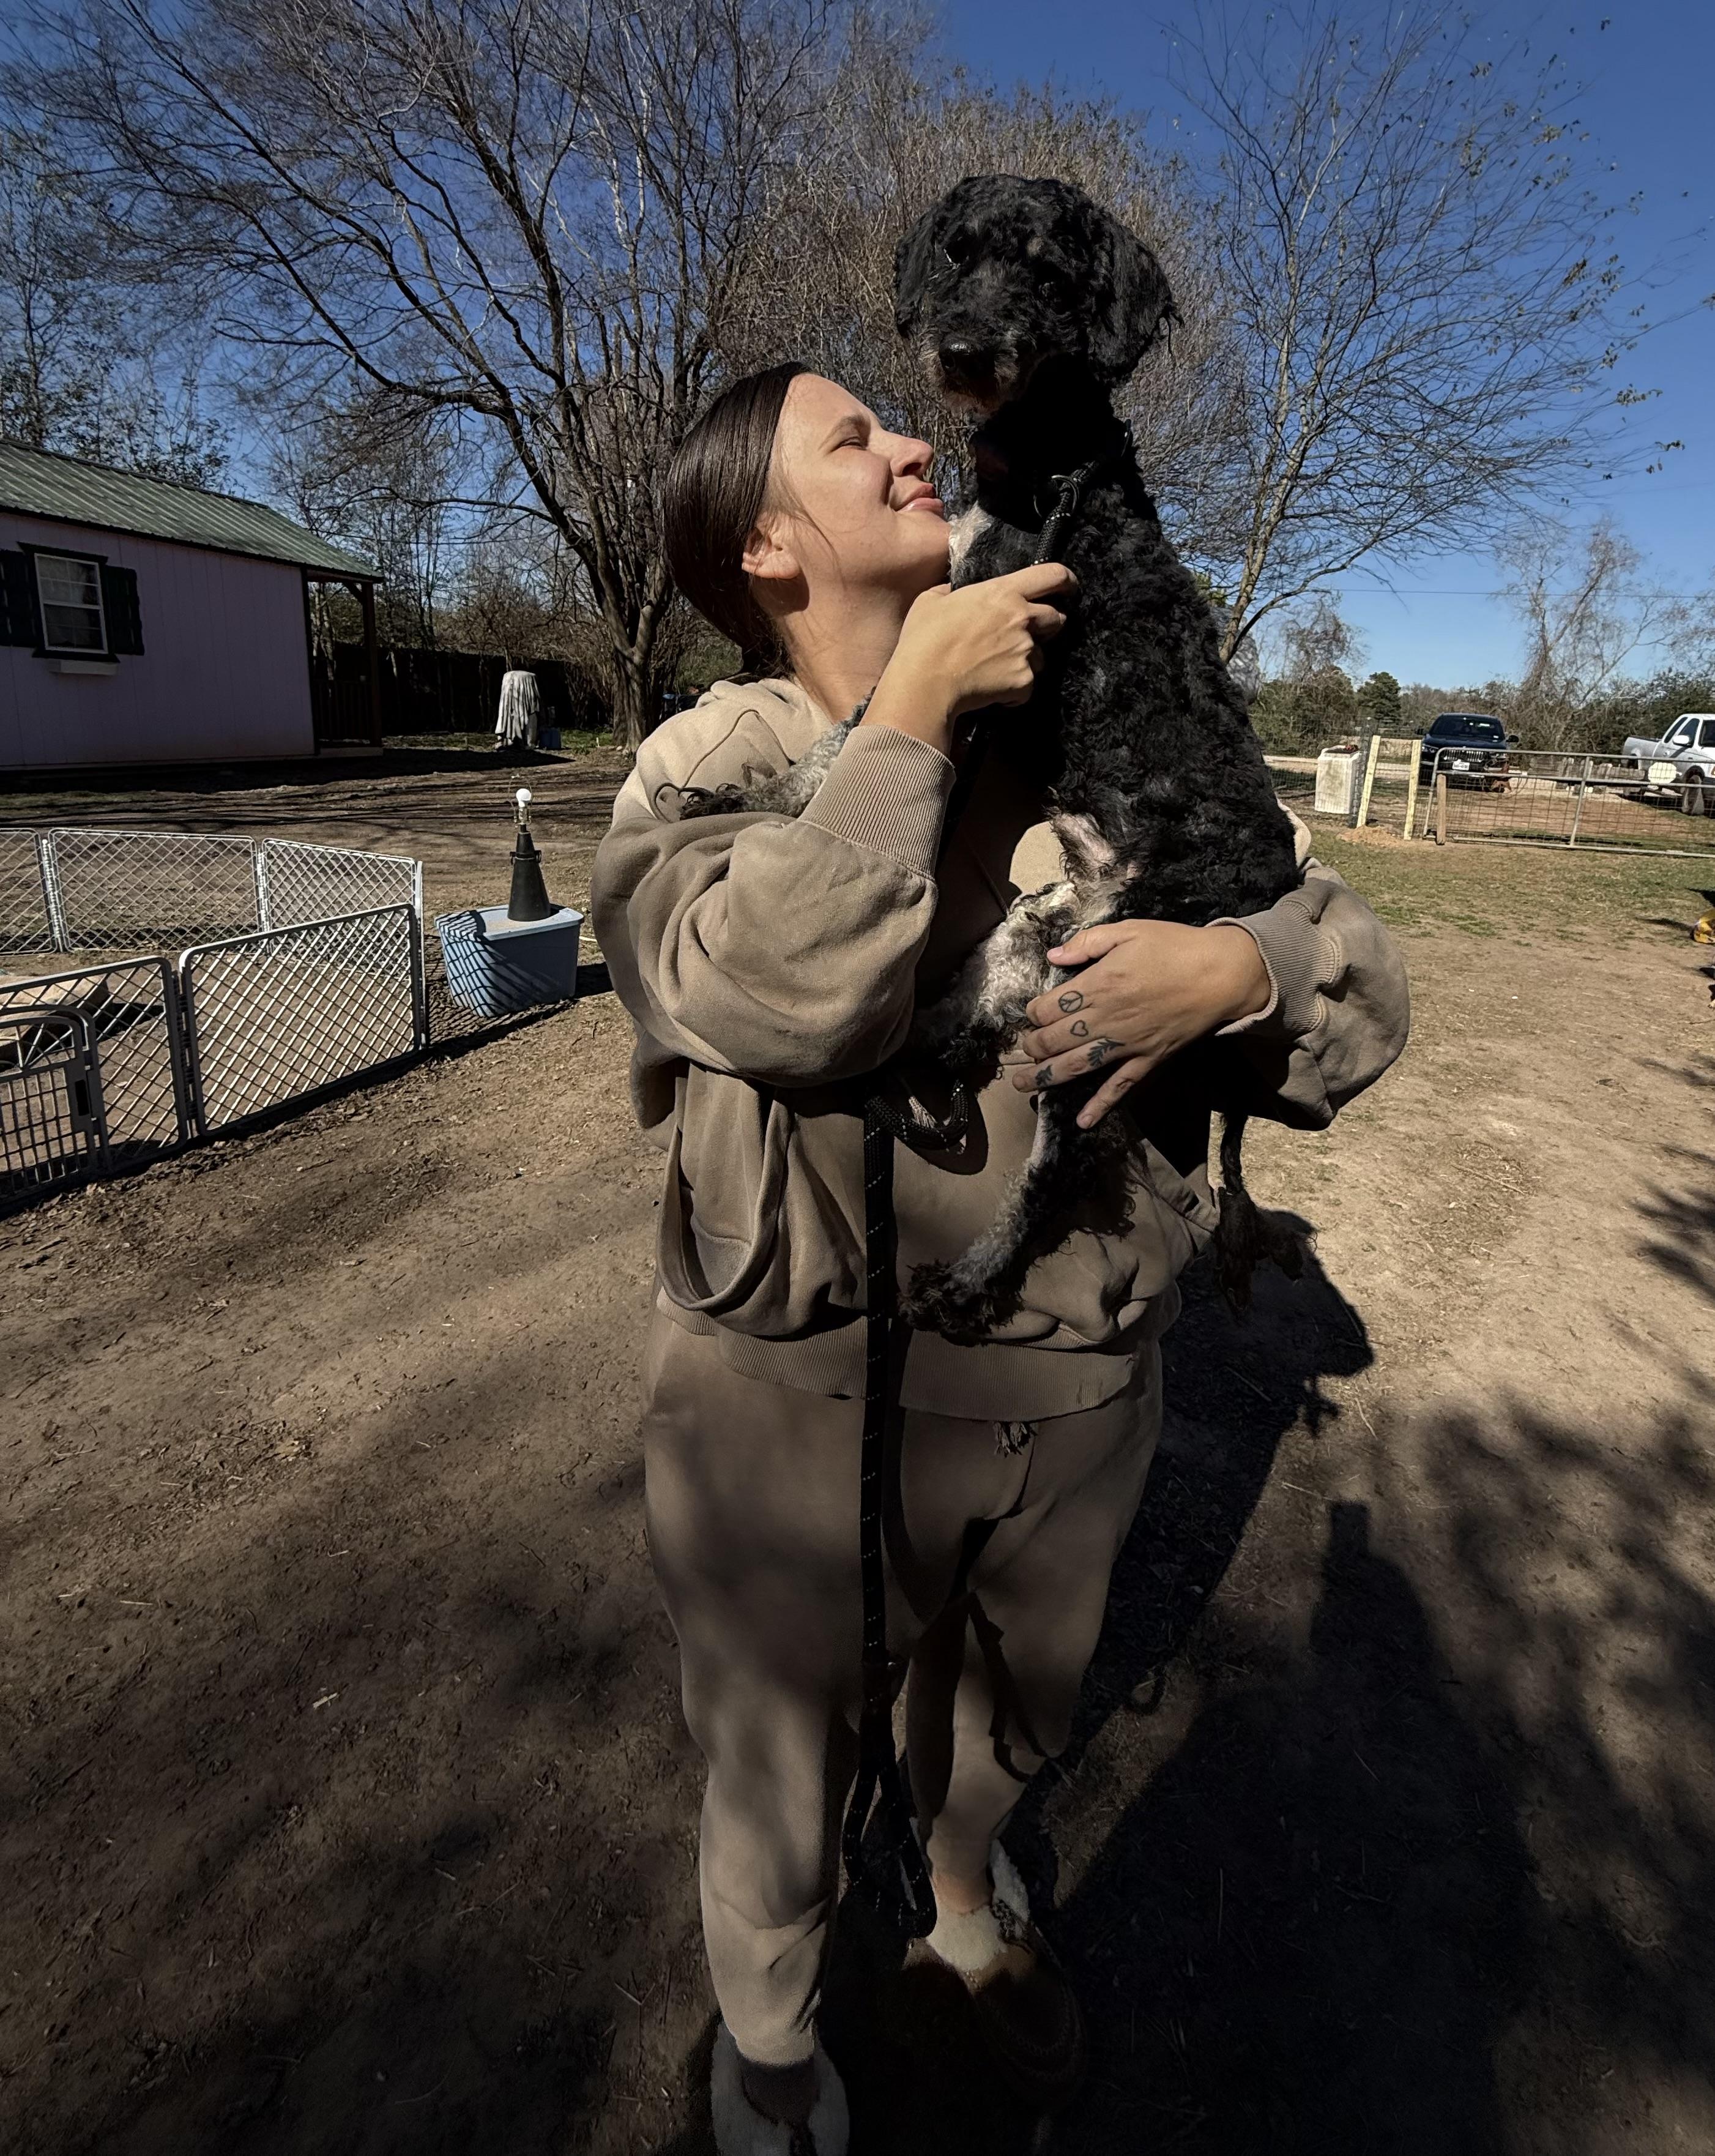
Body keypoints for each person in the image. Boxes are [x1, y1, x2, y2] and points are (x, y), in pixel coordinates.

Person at [590, 361, 1409, 2155]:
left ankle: (962, 1890)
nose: (910, 440)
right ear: (763, 545)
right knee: (775, 1768)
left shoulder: (1095, 727)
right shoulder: (698, 768)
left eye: (899, 420)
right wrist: (907, 724)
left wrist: (1243, 970)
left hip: (1071, 1383)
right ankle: (774, 2048)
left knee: (1015, 1708)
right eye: (849, 438)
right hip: (784, 1404)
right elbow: (761, 990)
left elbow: (1352, 971)